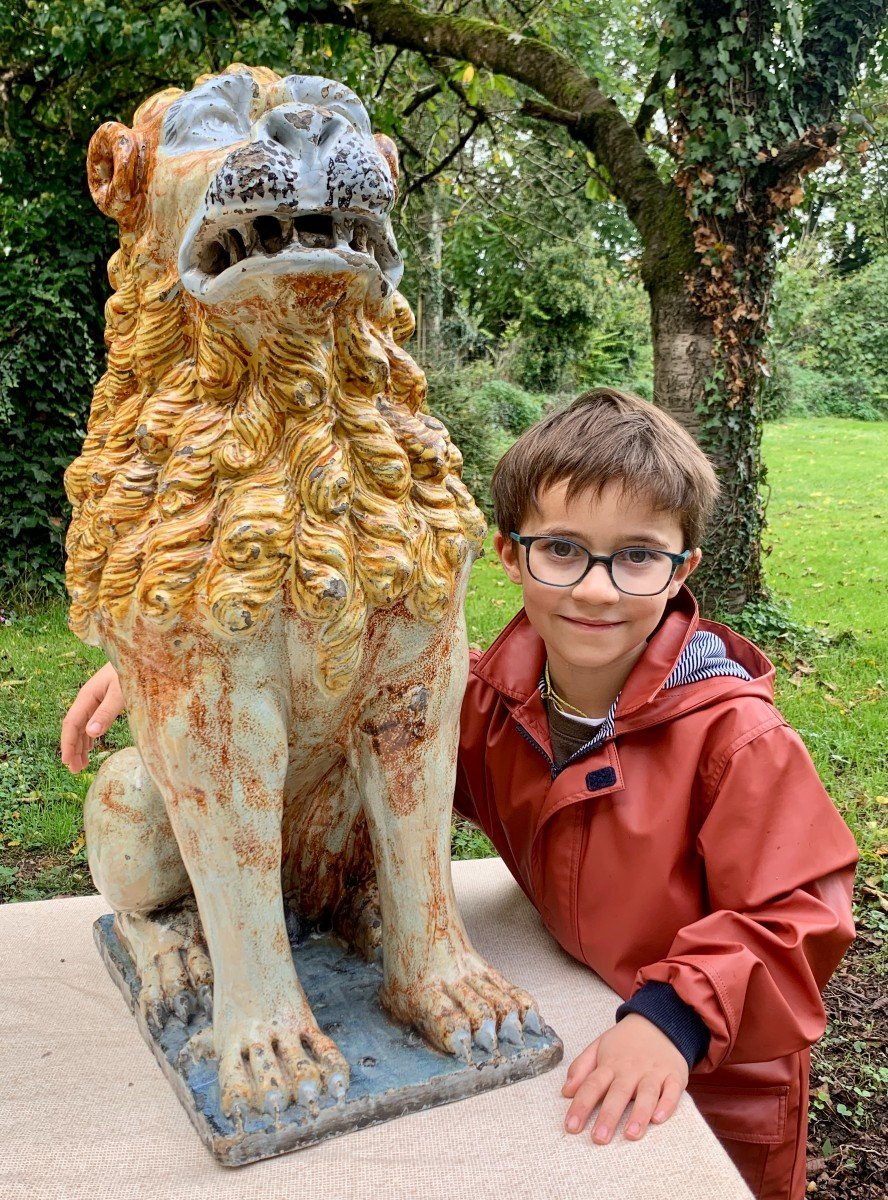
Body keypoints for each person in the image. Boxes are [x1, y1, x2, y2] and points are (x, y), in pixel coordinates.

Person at [61, 388, 858, 1200]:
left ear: (683, 566)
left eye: (638, 556)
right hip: (592, 1026)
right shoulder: (489, 704)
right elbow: (356, 704)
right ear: (509, 557)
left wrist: (676, 1019)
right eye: (562, 550)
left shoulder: (735, 738)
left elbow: (798, 914)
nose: (595, 589)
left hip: (723, 1074)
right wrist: (166, 670)